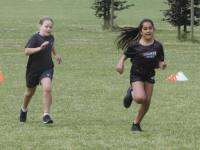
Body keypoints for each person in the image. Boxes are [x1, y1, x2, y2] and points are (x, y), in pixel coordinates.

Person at [116, 19, 167, 132]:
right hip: (137, 74)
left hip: (149, 75)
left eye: (150, 28)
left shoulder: (158, 46)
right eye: (145, 29)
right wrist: (120, 63)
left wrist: (162, 65)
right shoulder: (135, 45)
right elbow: (125, 54)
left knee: (147, 101)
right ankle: (131, 92)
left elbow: (159, 62)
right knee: (139, 98)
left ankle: (136, 124)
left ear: (153, 30)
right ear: (140, 32)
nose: (148, 31)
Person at [19, 16, 62, 124]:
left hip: (47, 68)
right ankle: (24, 109)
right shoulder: (34, 38)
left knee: (47, 88)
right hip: (33, 70)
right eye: (46, 26)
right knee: (29, 93)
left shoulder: (51, 37)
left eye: (51, 27)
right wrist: (40, 48)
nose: (49, 29)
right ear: (40, 26)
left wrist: (55, 55)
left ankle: (46, 115)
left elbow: (51, 44)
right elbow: (26, 51)